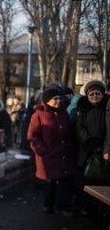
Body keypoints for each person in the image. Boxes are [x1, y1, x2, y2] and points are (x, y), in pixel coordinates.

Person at [27, 88, 76, 217]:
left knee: (63, 182)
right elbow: (32, 135)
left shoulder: (63, 113)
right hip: (48, 156)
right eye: (55, 99)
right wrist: (42, 151)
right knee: (50, 182)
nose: (58, 101)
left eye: (59, 98)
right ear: (47, 100)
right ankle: (48, 205)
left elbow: (70, 132)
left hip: (63, 155)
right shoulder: (38, 115)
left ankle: (61, 207)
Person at [74, 80, 109, 216]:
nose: (95, 96)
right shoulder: (82, 108)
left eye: (98, 93)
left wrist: (103, 146)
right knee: (86, 179)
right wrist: (91, 144)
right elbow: (78, 126)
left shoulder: (106, 107)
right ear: (87, 96)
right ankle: (85, 206)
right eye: (92, 94)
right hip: (86, 150)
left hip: (104, 150)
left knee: (103, 179)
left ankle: (101, 207)